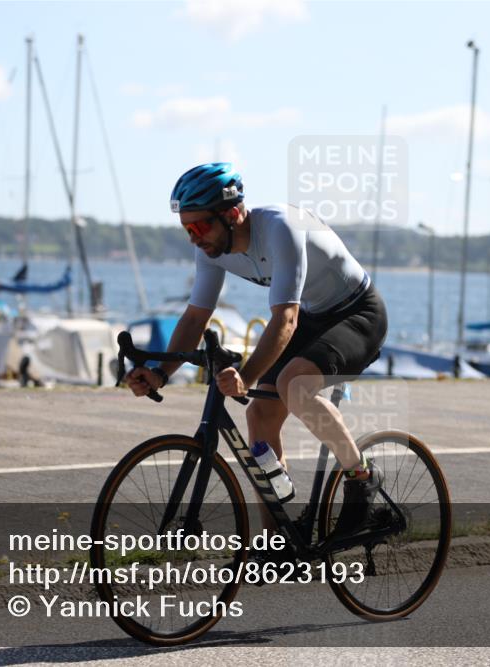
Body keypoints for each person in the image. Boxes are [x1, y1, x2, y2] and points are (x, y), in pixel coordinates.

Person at [125, 163, 388, 560]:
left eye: (200, 228)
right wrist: (161, 373)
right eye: (187, 230)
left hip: (356, 313)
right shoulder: (213, 251)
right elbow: (196, 317)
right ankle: (277, 540)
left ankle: (361, 475)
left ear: (232, 214)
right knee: (260, 418)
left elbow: (285, 318)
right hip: (311, 315)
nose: (194, 239)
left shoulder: (281, 228)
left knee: (294, 386)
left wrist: (246, 377)